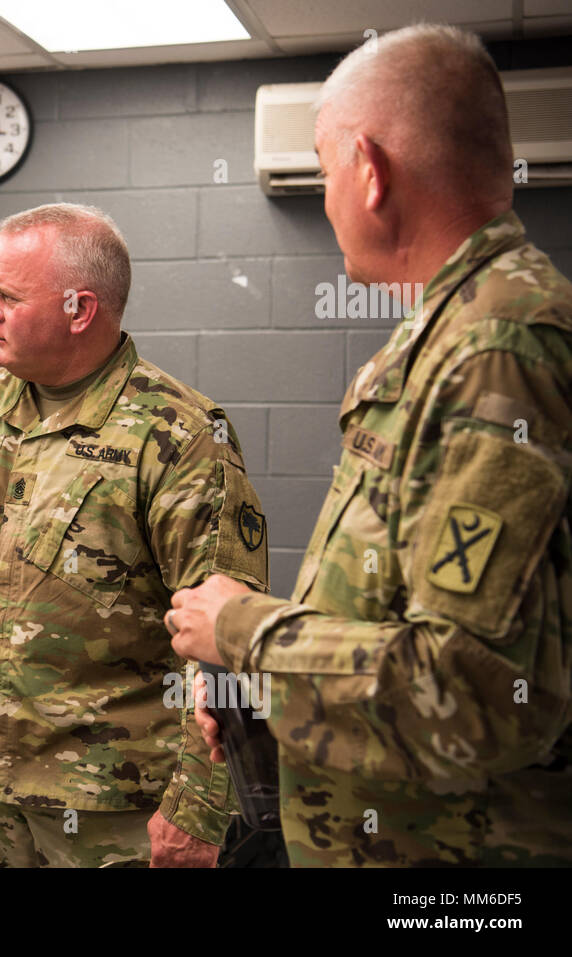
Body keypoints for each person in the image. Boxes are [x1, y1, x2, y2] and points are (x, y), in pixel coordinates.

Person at [168, 24, 572, 866]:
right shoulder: (457, 333)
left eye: (323, 172)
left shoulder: (499, 344)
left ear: (370, 170)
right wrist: (268, 696)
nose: (325, 198)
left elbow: (466, 691)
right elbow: (394, 616)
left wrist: (242, 631)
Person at [0, 203, 270, 867]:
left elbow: (225, 644)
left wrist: (198, 807)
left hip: (122, 809)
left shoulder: (179, 436)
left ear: (79, 308)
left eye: (7, 295)